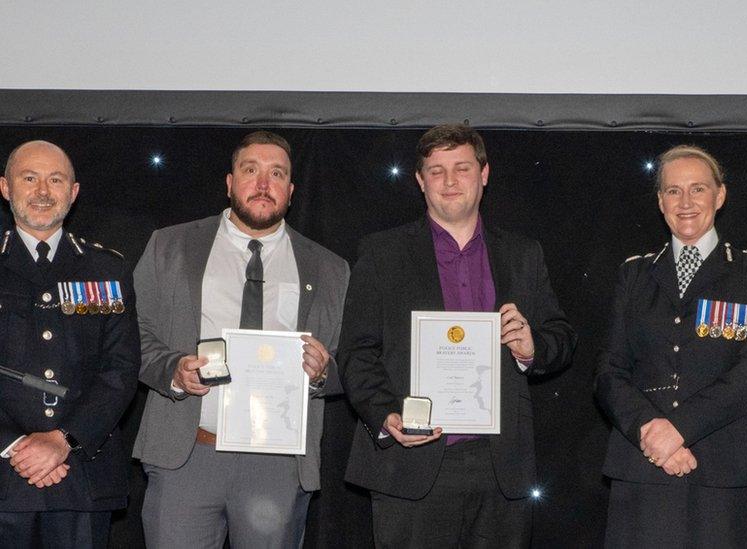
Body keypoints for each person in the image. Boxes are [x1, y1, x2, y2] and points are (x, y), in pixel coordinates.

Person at [339, 123, 576, 547]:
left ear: (484, 174)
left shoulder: (523, 254)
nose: (450, 182)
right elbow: (357, 352)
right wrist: (386, 414)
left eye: (462, 168)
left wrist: (532, 347)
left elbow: (561, 336)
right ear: (420, 181)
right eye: (436, 170)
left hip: (498, 465)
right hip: (411, 462)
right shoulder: (381, 253)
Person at [132, 131, 349, 548]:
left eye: (277, 174)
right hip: (188, 454)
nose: (263, 184)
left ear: (291, 191)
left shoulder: (328, 268)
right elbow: (134, 336)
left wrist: (323, 373)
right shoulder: (170, 246)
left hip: (279, 464)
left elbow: (348, 361)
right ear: (230, 182)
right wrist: (172, 371)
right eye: (251, 171)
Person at [595, 145, 747, 547]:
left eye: (697, 189)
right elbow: (610, 371)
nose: (685, 202)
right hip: (645, 466)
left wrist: (679, 429)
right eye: (673, 191)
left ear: (720, 195)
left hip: (731, 471)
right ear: (660, 201)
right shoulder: (634, 273)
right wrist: (652, 434)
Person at [0, 141, 141, 547]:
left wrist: (62, 440)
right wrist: (16, 445)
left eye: (55, 179)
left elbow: (120, 371)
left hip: (80, 475)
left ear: (73, 192)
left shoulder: (106, 270)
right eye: (30, 178)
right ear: (6, 188)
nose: (43, 191)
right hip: (4, 476)